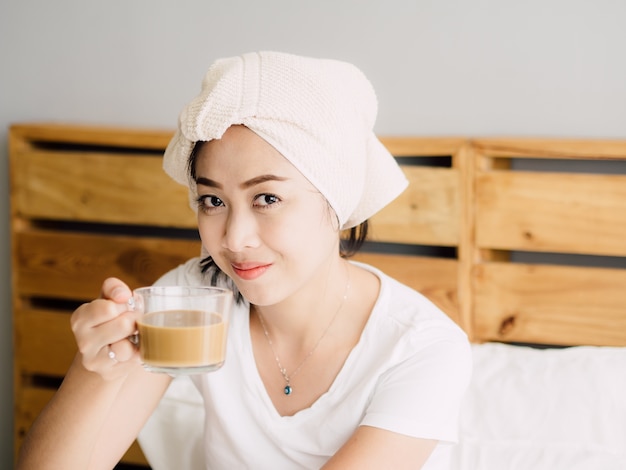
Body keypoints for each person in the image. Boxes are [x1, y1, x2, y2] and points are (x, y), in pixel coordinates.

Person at [17, 51, 472, 470]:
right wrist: (95, 371)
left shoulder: (422, 349)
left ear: (336, 198)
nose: (234, 238)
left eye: (267, 198)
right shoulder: (196, 302)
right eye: (212, 200)